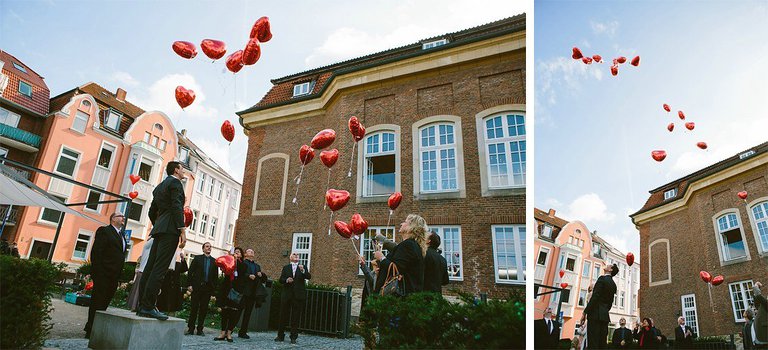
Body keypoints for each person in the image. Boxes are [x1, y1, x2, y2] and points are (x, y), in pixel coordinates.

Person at [137, 161, 187, 321]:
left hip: (159, 229)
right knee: (160, 269)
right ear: (176, 170)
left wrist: (158, 224)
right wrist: (182, 229)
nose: (184, 170)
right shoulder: (176, 183)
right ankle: (148, 306)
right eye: (182, 168)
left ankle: (142, 305)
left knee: (150, 267)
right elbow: (176, 206)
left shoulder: (160, 186)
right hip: (170, 229)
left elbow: (152, 210)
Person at [84, 213, 127, 338]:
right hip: (103, 273)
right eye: (121, 216)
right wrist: (97, 272)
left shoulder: (121, 235)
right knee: (97, 301)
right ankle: (90, 328)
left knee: (105, 302)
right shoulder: (104, 231)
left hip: (114, 275)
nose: (123, 218)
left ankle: (98, 327)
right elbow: (97, 251)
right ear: (113, 218)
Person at [374, 214, 428, 295]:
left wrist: (381, 258)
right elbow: (403, 268)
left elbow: (396, 270)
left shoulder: (408, 245)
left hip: (400, 297)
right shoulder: (411, 245)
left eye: (405, 222)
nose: (401, 224)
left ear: (411, 228)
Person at [275, 252, 312, 344]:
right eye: (294, 254)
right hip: (287, 294)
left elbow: (308, 277)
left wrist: (303, 271)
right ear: (290, 257)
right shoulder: (286, 268)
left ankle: (293, 337)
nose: (296, 256)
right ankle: (280, 335)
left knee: (295, 316)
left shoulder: (302, 267)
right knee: (283, 315)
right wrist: (286, 280)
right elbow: (281, 280)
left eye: (297, 255)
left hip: (298, 295)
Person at [581, 263, 618, 349]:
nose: (608, 265)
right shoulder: (613, 284)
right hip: (604, 316)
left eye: (610, 265)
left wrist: (585, 312)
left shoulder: (602, 279)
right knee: (602, 343)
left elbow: (595, 297)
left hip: (595, 315)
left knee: (593, 342)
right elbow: (610, 302)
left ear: (610, 269)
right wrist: (604, 310)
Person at [186, 242, 217, 336]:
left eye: (210, 247)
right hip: (197, 287)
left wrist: (213, 290)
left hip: (207, 288)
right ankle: (190, 329)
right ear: (203, 249)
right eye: (207, 246)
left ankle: (200, 329)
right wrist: (189, 285)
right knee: (194, 308)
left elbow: (215, 276)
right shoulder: (197, 258)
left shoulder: (214, 261)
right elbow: (190, 272)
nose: (209, 248)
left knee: (203, 309)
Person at [215, 247, 246, 342]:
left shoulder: (243, 265)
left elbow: (241, 273)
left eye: (238, 252)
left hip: (236, 290)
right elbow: (224, 271)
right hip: (227, 288)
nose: (236, 253)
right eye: (235, 252)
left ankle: (229, 332)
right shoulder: (229, 262)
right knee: (225, 311)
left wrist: (236, 261)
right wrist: (229, 259)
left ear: (241, 255)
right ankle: (223, 332)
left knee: (234, 312)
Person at [237, 248, 268, 339]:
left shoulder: (257, 266)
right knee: (238, 311)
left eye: (252, 251)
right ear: (245, 254)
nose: (251, 252)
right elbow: (240, 275)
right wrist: (248, 276)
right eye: (249, 251)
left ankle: (243, 332)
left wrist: (261, 275)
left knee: (248, 313)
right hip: (244, 291)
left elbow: (262, 279)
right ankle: (230, 329)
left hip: (253, 292)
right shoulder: (243, 263)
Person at [157, 250, 188, 316]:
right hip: (165, 286)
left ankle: (171, 314)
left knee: (173, 304)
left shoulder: (177, 264)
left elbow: (185, 269)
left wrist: (183, 259)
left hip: (174, 288)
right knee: (163, 302)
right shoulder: (165, 263)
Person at [126, 238, 153, 311]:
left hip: (143, 270)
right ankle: (137, 306)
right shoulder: (150, 243)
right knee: (140, 290)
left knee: (139, 290)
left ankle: (136, 306)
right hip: (143, 270)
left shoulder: (148, 244)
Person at [753, 282, 767, 348]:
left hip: (765, 337)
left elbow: (759, 297)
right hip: (760, 337)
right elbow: (757, 304)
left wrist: (756, 287)